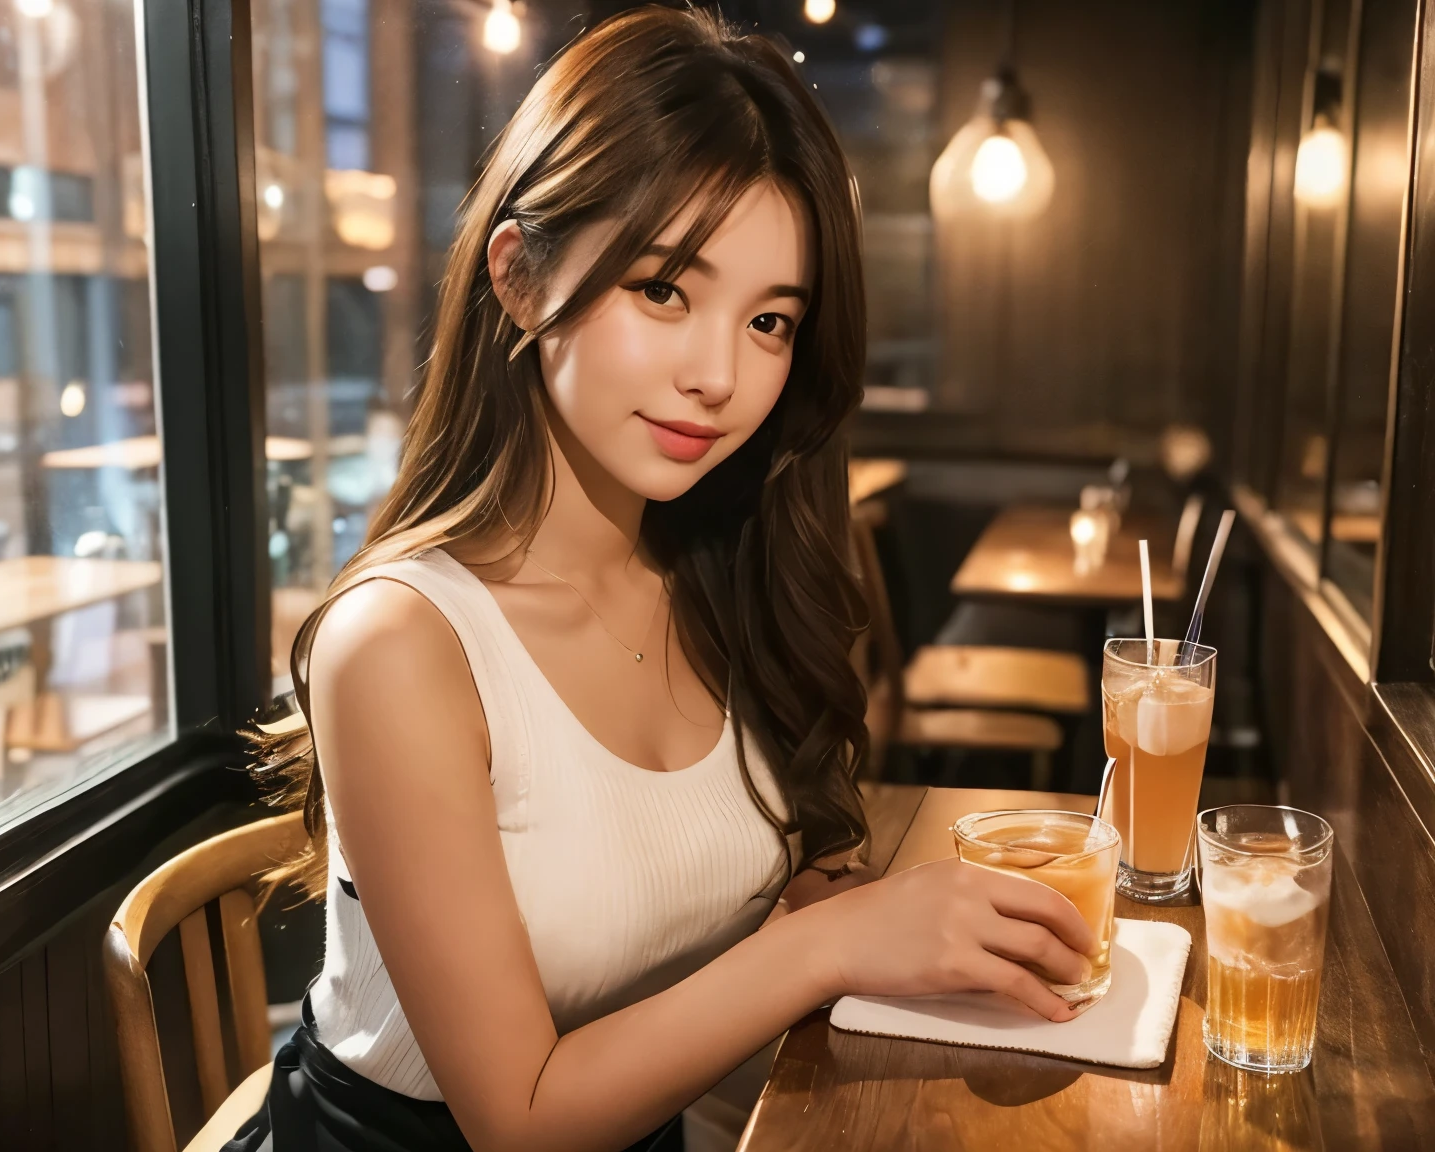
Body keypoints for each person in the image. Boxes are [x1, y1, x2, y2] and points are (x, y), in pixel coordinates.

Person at [229, 9, 1094, 1152]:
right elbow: (519, 1119)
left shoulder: (719, 572)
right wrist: (829, 943)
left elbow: (780, 903)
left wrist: (928, 928)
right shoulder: (400, 644)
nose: (721, 377)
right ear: (522, 278)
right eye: (666, 290)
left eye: (771, 320)